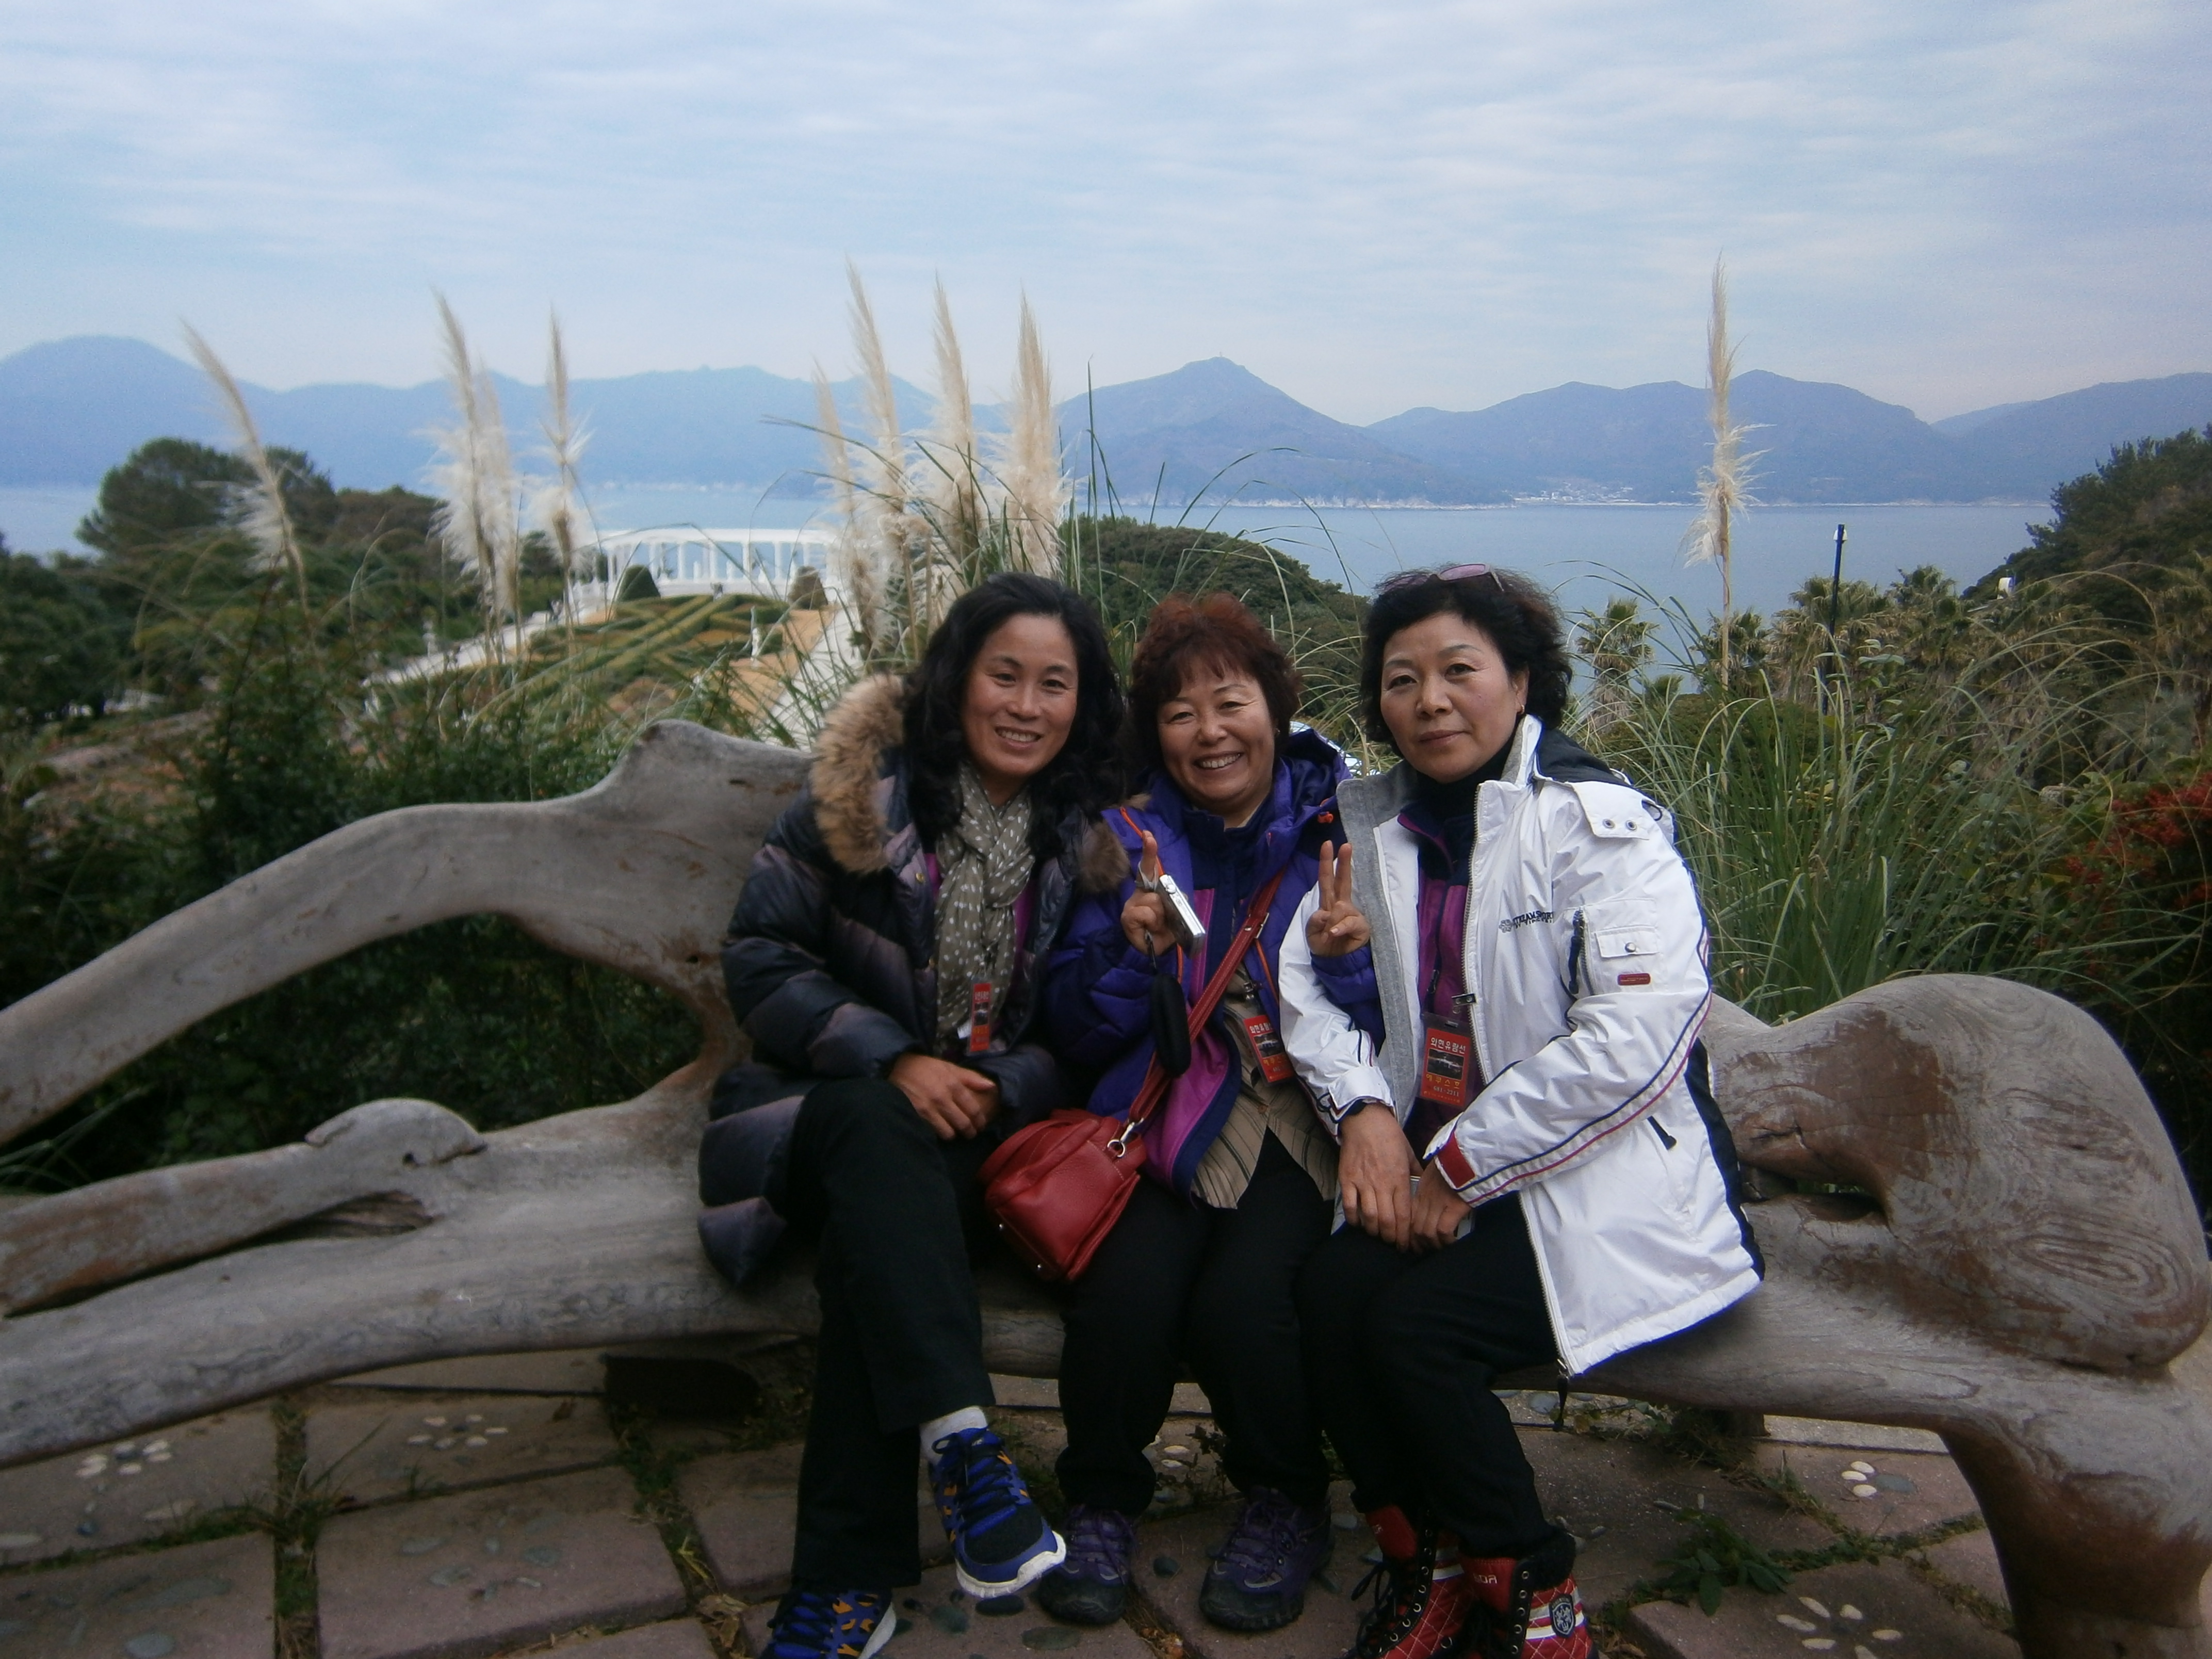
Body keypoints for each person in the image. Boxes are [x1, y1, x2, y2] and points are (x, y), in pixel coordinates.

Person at [1274, 566, 1763, 1659]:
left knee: (1416, 1332)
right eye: (1402, 679)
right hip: (1435, 1169)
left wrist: (1457, 1167)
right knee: (1327, 1295)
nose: (1430, 701)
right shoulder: (1376, 827)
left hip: (1595, 1183)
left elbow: (1632, 1039)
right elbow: (1302, 983)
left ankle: (1531, 1579)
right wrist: (1364, 1112)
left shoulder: (1599, 827)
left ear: (1522, 680)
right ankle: (1428, 1559)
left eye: (1460, 670)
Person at [696, 573, 1129, 1659]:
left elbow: (1077, 1035)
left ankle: (849, 1584)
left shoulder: (1086, 844)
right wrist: (891, 1059)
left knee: (874, 1253)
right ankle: (967, 1455)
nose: (1025, 705)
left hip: (974, 1147)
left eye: (1054, 684)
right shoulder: (862, 801)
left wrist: (1000, 1085)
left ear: (1081, 703)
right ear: (955, 677)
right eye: (1003, 676)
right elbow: (758, 956)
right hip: (819, 1123)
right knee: (874, 1135)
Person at [1035, 594, 1374, 1633]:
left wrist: (1349, 966)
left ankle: (1285, 1498)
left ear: (1275, 707)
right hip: (1164, 1116)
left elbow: (1402, 1020)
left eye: (1231, 703)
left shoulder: (1347, 831)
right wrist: (1121, 954)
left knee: (1244, 1304)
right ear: (1156, 735)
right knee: (1124, 1295)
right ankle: (1100, 1501)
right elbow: (1070, 1028)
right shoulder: (1124, 843)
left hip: (1293, 1123)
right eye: (1180, 715)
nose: (1210, 732)